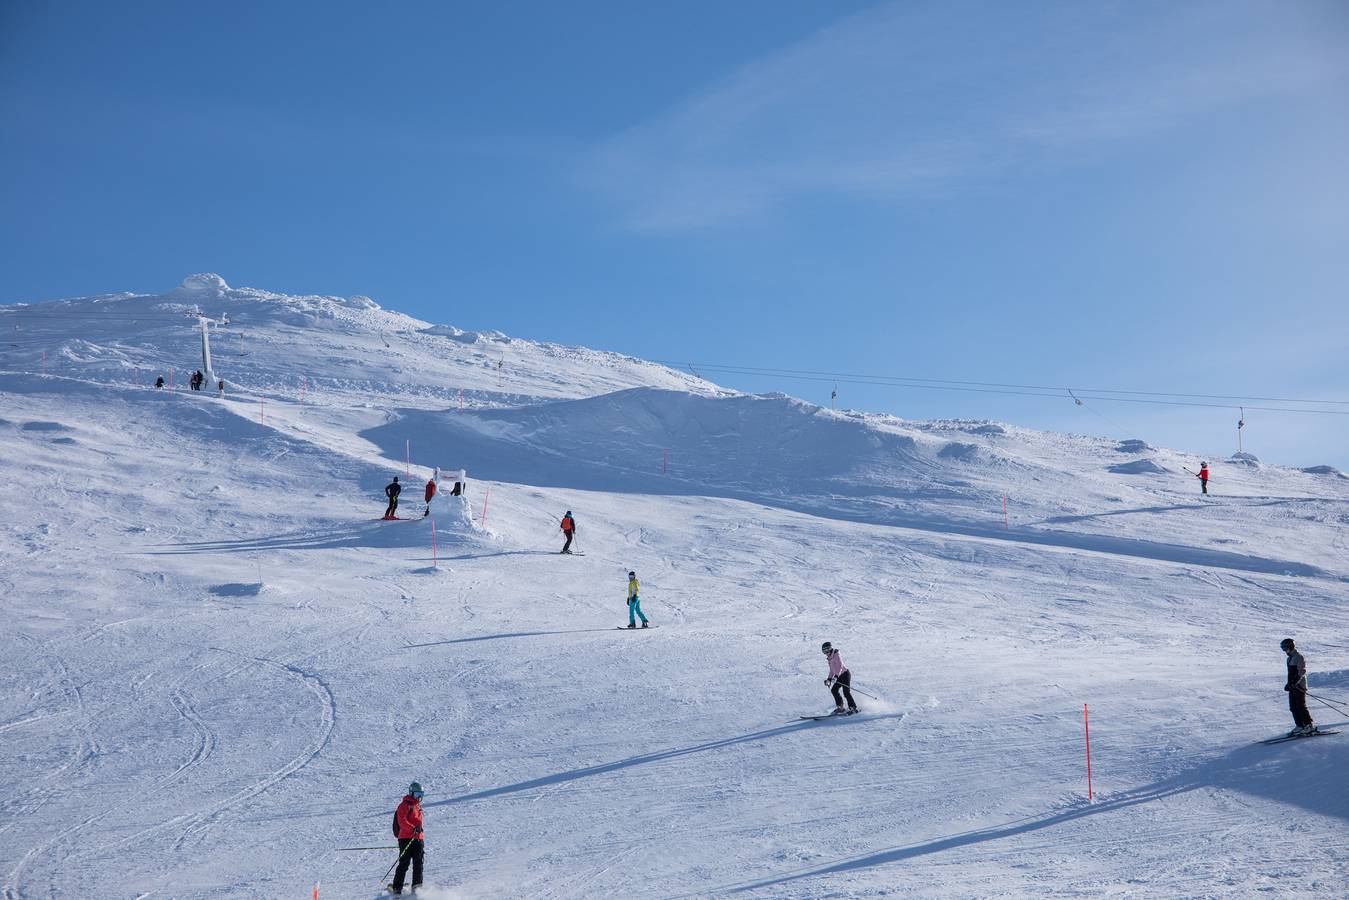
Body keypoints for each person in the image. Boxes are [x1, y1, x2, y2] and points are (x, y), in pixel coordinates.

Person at [390, 781, 425, 895]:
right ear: (411, 793)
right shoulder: (404, 805)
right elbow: (402, 821)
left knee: (418, 863)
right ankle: (397, 888)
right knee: (404, 863)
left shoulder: (417, 806)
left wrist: (418, 832)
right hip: (406, 838)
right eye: (417, 794)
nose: (419, 797)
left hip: (418, 838)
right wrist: (412, 828)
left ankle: (417, 887)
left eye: (421, 794)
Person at [1281, 638, 1317, 737]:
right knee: (1293, 707)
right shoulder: (1289, 658)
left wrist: (1295, 682)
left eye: (1284, 648)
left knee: (1301, 706)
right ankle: (1300, 726)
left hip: (1299, 686)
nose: (1284, 651)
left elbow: (1302, 672)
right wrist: (1289, 684)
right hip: (1293, 686)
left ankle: (1308, 726)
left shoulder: (1299, 657)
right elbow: (1291, 673)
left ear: (1290, 647)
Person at [821, 642, 858, 715]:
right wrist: (829, 679)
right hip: (839, 676)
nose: (825, 653)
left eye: (826, 651)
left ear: (829, 649)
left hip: (845, 674)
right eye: (824, 652)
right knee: (834, 690)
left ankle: (853, 708)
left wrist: (836, 676)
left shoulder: (836, 654)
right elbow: (832, 670)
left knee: (846, 692)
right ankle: (840, 707)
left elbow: (840, 666)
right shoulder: (829, 658)